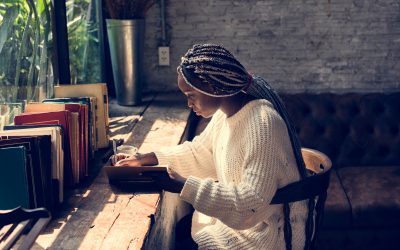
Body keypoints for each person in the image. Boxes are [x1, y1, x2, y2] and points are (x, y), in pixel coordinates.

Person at [114, 44, 312, 250]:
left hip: (272, 235)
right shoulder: (224, 116)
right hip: (247, 226)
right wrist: (149, 158)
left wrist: (183, 186)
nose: (188, 103)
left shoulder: (262, 123)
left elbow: (251, 204)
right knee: (182, 231)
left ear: (213, 88)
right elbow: (201, 154)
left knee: (180, 239)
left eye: (190, 95)